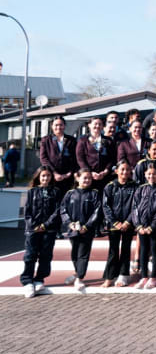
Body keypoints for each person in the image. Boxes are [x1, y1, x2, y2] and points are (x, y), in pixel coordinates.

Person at [21, 167, 61, 297]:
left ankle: (39, 279)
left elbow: (57, 211)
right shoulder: (32, 192)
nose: (45, 178)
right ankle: (27, 281)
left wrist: (45, 225)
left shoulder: (55, 192)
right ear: (38, 176)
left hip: (48, 230)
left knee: (45, 255)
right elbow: (27, 212)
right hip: (32, 230)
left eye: (48, 176)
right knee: (30, 255)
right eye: (43, 176)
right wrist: (34, 226)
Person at [61, 169, 103, 293]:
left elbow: (97, 212)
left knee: (83, 254)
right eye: (84, 178)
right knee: (74, 254)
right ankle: (77, 273)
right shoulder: (70, 194)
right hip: (73, 230)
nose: (87, 180)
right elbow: (63, 210)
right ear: (77, 178)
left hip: (87, 231)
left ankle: (79, 278)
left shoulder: (94, 194)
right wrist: (69, 224)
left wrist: (88, 226)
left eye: (89, 178)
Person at [101, 161, 137, 288]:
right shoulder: (110, 186)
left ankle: (123, 275)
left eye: (127, 170)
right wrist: (115, 222)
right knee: (113, 250)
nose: (125, 172)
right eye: (122, 169)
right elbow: (106, 206)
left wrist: (128, 221)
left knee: (126, 249)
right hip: (114, 225)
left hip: (128, 224)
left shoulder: (134, 186)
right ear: (116, 171)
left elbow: (136, 206)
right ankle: (110, 277)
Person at [38, 117, 78, 192]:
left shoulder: (71, 140)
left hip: (67, 177)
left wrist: (69, 172)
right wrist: (54, 173)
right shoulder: (46, 140)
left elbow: (75, 158)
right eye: (56, 125)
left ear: (64, 126)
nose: (58, 127)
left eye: (61, 125)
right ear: (52, 126)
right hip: (51, 176)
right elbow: (43, 158)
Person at [76, 116, 115, 191]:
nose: (97, 126)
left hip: (104, 176)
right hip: (88, 177)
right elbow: (80, 159)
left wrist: (106, 171)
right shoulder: (83, 140)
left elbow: (112, 158)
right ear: (89, 125)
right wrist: (89, 172)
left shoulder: (108, 140)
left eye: (100, 124)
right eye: (95, 124)